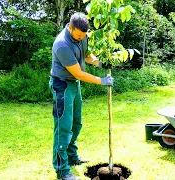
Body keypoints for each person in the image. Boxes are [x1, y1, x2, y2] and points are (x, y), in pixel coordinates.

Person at [49, 12, 113, 180]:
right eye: (77, 35)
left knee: (76, 123)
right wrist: (102, 80)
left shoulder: (82, 35)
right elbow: (78, 73)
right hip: (62, 85)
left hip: (73, 85)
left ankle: (71, 156)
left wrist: (99, 62)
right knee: (63, 127)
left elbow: (86, 54)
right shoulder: (62, 44)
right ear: (70, 28)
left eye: (83, 36)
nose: (80, 38)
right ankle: (62, 171)